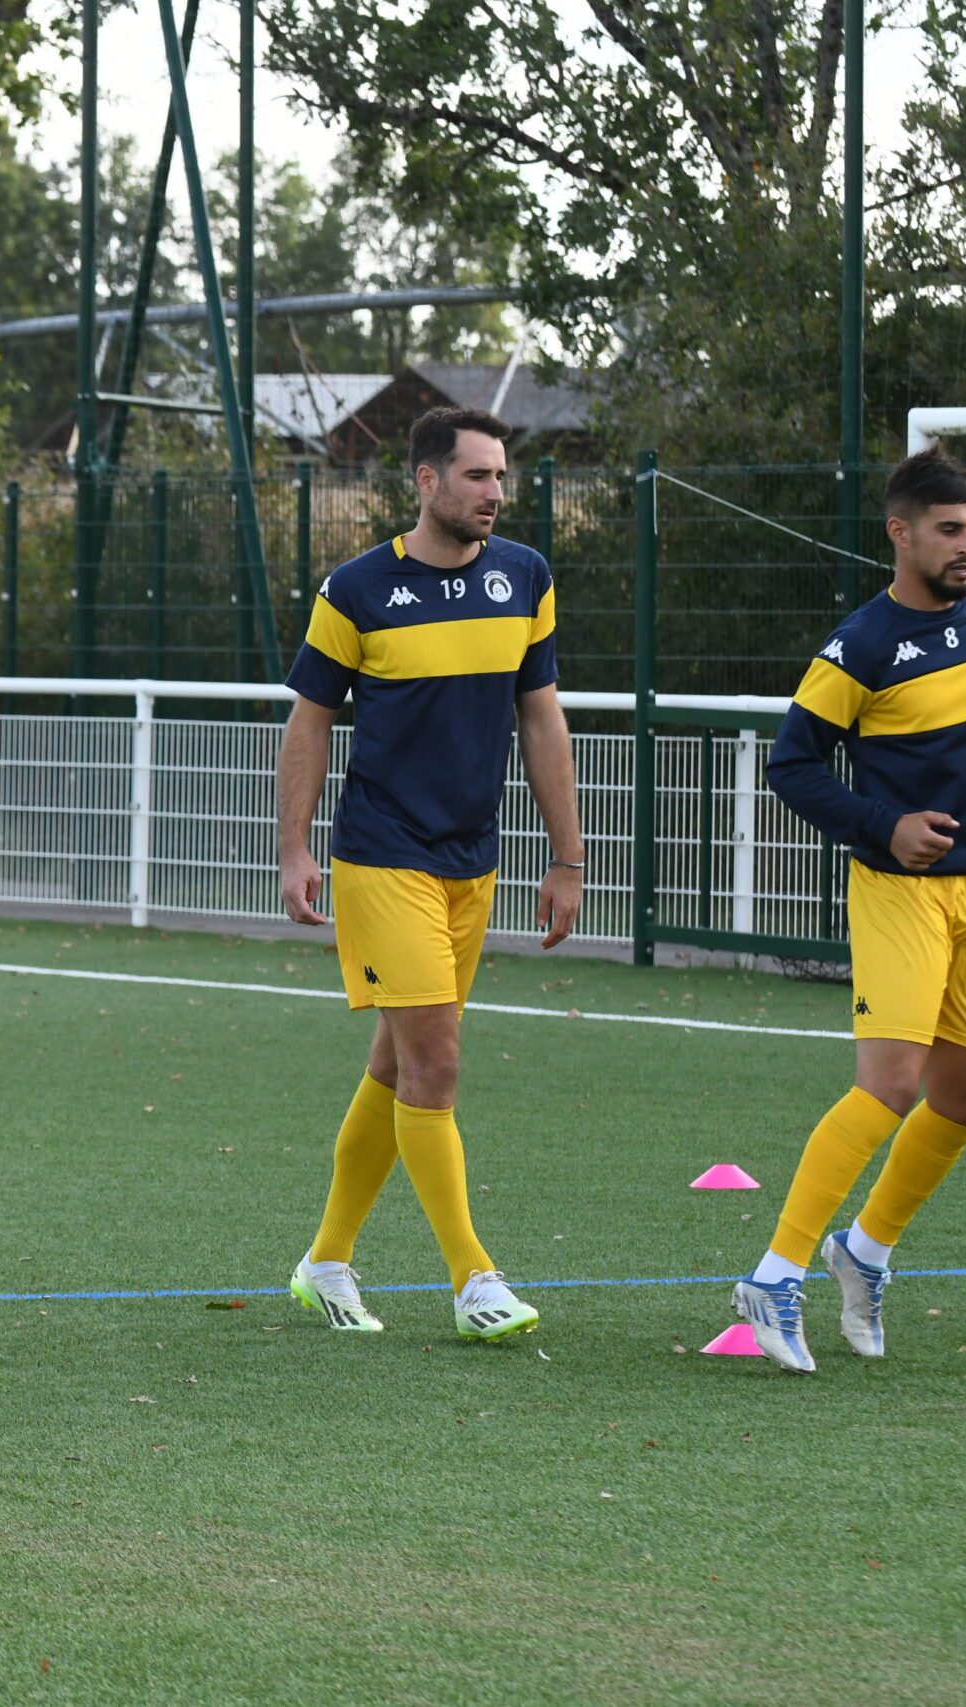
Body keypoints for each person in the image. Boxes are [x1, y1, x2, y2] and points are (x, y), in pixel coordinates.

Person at [733, 448, 966, 1373]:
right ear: (900, 533)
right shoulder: (861, 644)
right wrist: (886, 824)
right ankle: (773, 1275)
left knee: (965, 1099)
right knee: (890, 1086)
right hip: (898, 894)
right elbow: (792, 764)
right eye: (950, 530)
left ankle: (864, 1250)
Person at [273, 407, 585, 1341]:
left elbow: (541, 719)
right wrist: (294, 847)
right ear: (426, 479)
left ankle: (326, 1260)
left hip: (472, 860)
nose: (496, 492)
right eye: (479, 475)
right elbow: (309, 721)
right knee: (437, 1062)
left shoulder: (525, 577)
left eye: (501, 476)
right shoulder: (357, 590)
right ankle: (473, 1280)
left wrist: (568, 857)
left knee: (397, 1062)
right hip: (382, 855)